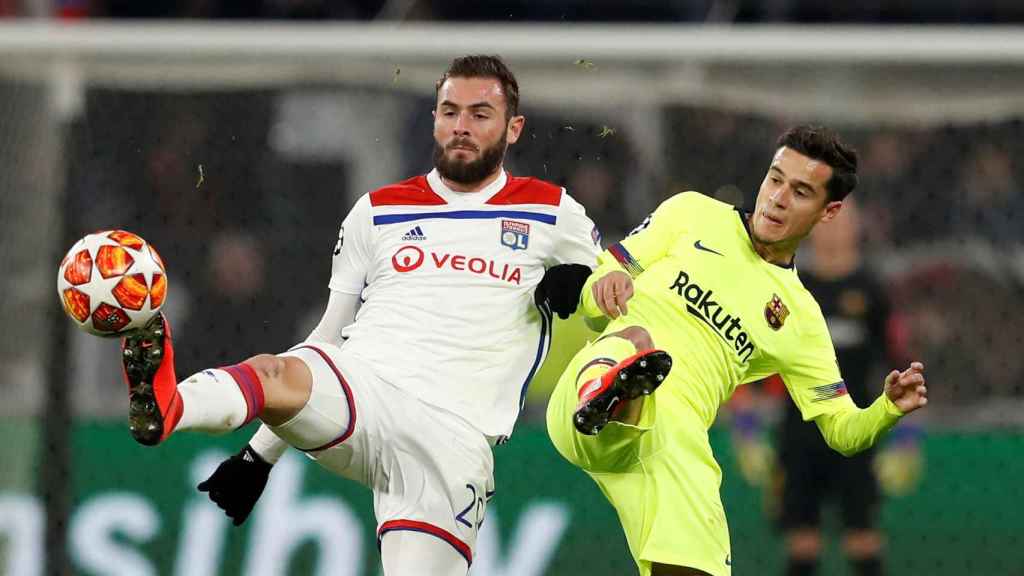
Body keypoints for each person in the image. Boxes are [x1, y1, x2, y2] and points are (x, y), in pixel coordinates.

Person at [119, 54, 600, 576]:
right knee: (274, 369)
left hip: (454, 441)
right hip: (366, 392)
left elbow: (612, 290)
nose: (461, 126)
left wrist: (579, 288)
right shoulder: (378, 210)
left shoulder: (553, 212)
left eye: (480, 114)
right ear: (434, 119)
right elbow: (327, 336)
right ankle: (167, 407)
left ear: (513, 128)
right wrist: (258, 459)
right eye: (449, 111)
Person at [545, 125, 929, 576]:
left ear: (830, 211)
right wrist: (601, 285)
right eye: (775, 178)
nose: (778, 198)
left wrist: (887, 408)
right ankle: (610, 394)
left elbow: (843, 430)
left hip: (672, 445)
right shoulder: (692, 213)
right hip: (585, 406)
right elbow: (603, 282)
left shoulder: (800, 319)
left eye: (801, 191)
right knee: (636, 342)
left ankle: (624, 393)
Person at [732, 197, 914, 576]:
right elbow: (749, 354)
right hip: (799, 434)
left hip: (857, 429)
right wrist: (745, 427)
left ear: (857, 227)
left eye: (843, 221)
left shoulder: (872, 291)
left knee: (862, 542)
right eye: (826, 221)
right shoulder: (791, 288)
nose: (834, 230)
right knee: (803, 545)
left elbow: (899, 362)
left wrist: (905, 434)